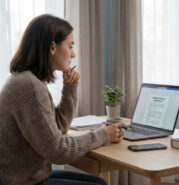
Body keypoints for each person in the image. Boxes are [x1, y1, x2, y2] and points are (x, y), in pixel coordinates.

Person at [0, 14, 125, 185]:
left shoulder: (29, 80)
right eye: (70, 46)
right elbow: (57, 151)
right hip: (23, 181)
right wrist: (102, 135)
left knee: (99, 183)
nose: (73, 54)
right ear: (52, 47)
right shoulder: (30, 86)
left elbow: (60, 127)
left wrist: (70, 87)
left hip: (31, 176)